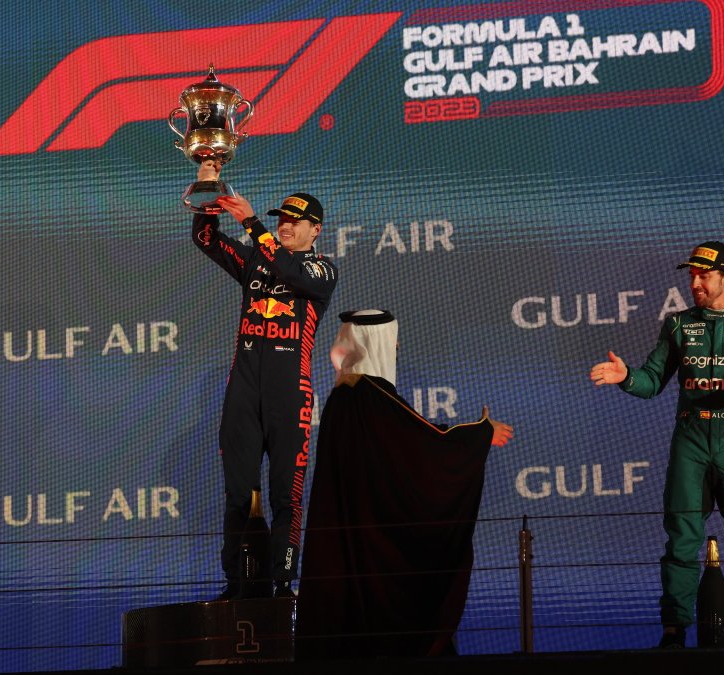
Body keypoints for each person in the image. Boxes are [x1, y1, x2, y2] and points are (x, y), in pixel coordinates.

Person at [588, 242, 724, 649]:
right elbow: (651, 381)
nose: (695, 283)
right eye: (692, 276)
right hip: (691, 445)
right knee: (681, 537)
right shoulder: (678, 324)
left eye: (704, 276)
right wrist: (626, 376)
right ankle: (673, 631)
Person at [295, 309, 512, 659]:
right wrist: (481, 434)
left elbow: (405, 444)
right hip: (377, 545)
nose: (396, 347)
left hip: (356, 537)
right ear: (378, 342)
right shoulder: (371, 395)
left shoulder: (344, 395)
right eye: (392, 340)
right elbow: (422, 449)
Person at [192, 160, 338, 599]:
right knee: (238, 492)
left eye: (296, 221)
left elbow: (291, 273)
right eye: (282, 220)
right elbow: (205, 239)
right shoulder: (256, 258)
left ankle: (283, 585)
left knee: (285, 498)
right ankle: (235, 583)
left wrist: (255, 224)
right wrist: (207, 188)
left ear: (316, 230)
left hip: (289, 395)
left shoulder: (322, 271)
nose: (287, 226)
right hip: (244, 389)